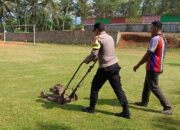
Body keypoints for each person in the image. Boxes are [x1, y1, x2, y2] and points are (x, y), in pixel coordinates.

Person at [82, 22, 130, 119]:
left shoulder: (98, 38)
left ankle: (91, 109)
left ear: (96, 30)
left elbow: (93, 54)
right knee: (118, 90)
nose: (94, 33)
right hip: (115, 66)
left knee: (95, 86)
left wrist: (85, 61)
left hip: (105, 68)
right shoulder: (110, 37)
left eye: (94, 31)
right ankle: (126, 112)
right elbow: (105, 52)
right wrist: (97, 59)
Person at [133, 21, 172, 115]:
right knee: (147, 85)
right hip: (157, 66)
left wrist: (138, 65)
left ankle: (167, 107)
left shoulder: (155, 39)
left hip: (153, 67)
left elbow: (149, 54)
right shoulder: (163, 38)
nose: (150, 30)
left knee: (154, 87)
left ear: (156, 28)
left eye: (151, 28)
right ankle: (144, 102)